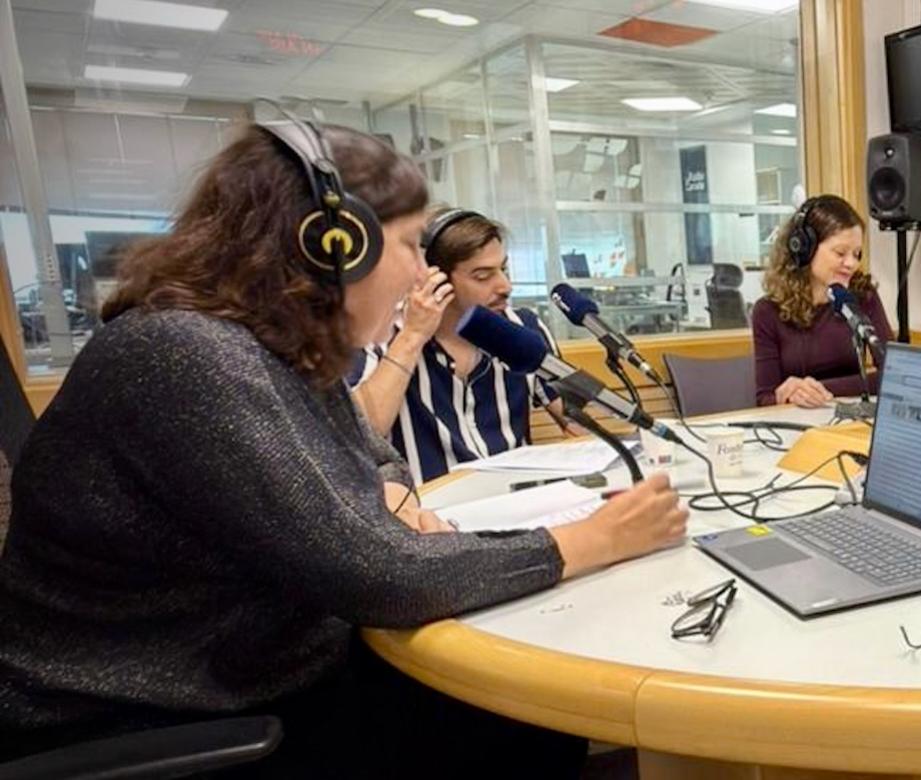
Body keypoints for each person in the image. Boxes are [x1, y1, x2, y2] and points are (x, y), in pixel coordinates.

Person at [0, 120, 689, 776]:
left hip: (250, 670)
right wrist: (596, 539)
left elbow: (371, 453)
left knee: (528, 715)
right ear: (335, 244)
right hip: (158, 714)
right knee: (522, 719)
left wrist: (388, 494)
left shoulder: (271, 344)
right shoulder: (186, 354)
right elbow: (379, 576)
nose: (423, 275)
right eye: (413, 245)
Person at [349, 208, 576, 484]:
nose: (505, 286)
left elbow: (577, 420)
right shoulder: (380, 336)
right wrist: (412, 336)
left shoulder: (524, 329)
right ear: (435, 279)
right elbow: (361, 437)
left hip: (521, 508)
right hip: (433, 516)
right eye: (483, 276)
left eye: (503, 269)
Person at [751, 194, 893, 408]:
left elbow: (894, 376)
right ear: (805, 248)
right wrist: (785, 395)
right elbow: (764, 399)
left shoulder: (862, 296)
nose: (851, 264)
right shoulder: (767, 311)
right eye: (840, 253)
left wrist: (820, 389)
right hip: (796, 426)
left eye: (857, 254)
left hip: (848, 420)